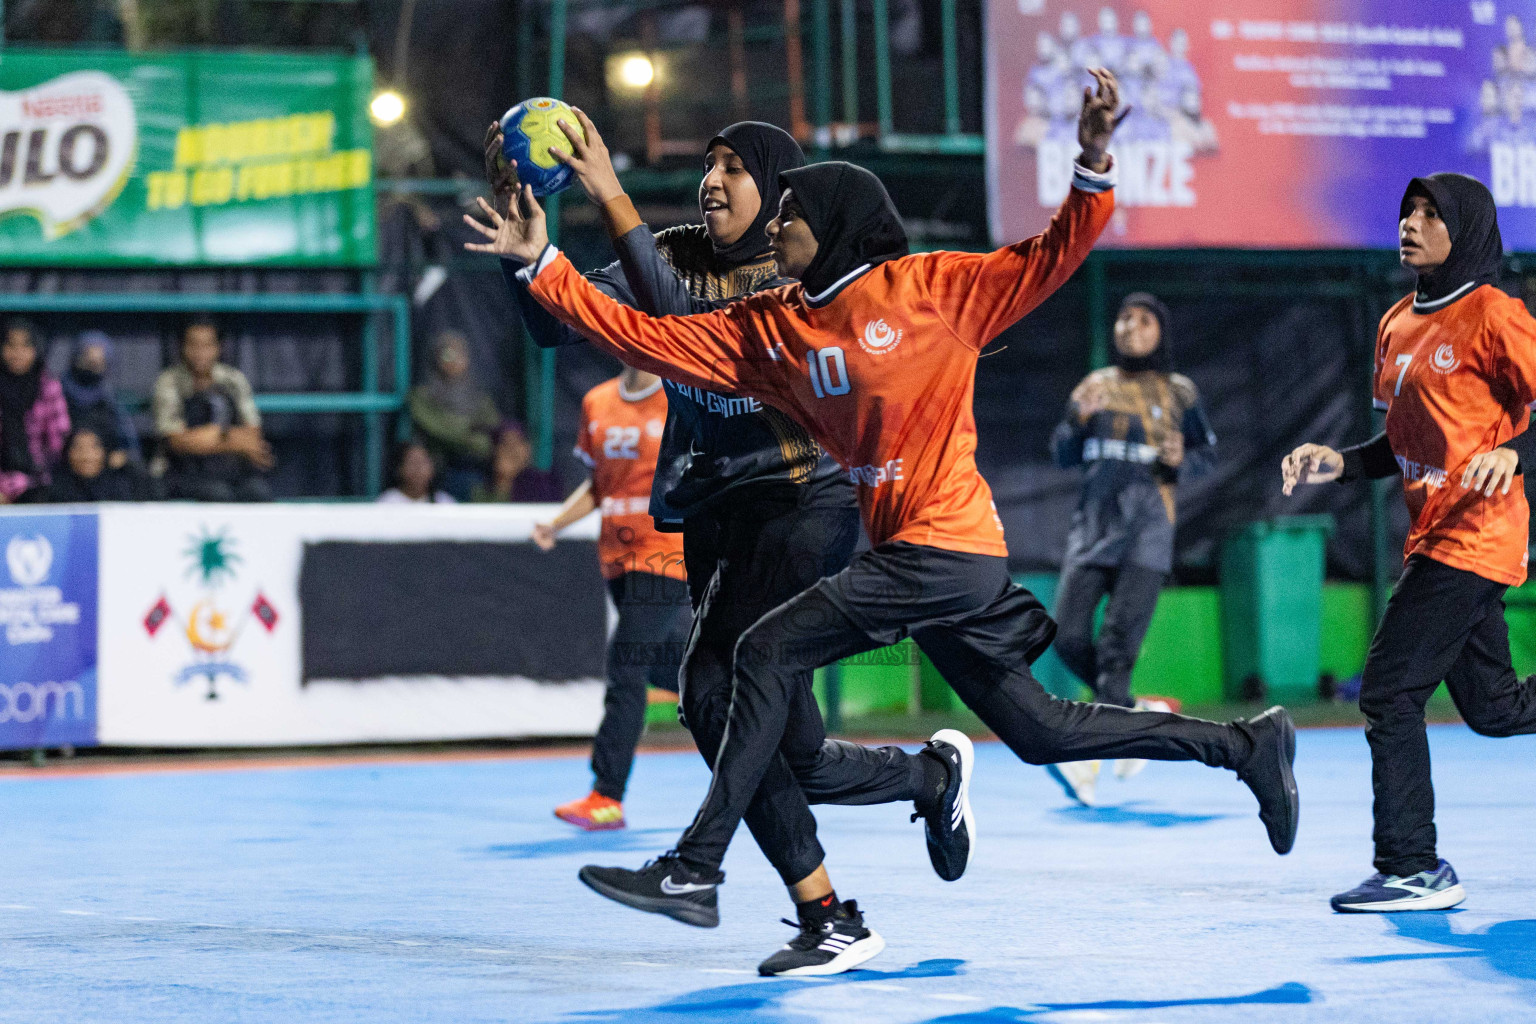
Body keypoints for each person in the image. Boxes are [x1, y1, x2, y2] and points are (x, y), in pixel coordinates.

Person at [472, 68, 1298, 938]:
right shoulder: (777, 325)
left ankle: (697, 866)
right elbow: (652, 337)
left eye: (788, 209)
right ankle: (1243, 747)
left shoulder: (933, 289)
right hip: (903, 553)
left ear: (827, 225)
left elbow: (1052, 253)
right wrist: (538, 262)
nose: (773, 220)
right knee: (1040, 731)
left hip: (930, 546)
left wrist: (1092, 161)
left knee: (760, 655)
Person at [484, 113, 965, 977]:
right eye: (706, 165)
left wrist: (610, 195)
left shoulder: (802, 272)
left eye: (734, 169)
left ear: (778, 189)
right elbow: (558, 326)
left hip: (802, 499)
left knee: (711, 691)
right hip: (714, 508)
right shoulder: (671, 249)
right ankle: (928, 780)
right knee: (796, 753)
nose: (712, 182)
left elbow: (686, 335)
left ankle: (791, 903)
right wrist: (532, 260)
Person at [1282, 172, 1536, 913]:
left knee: (1391, 690)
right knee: (1494, 709)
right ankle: (1414, 866)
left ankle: (1413, 867)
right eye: (1407, 211)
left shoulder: (1495, 315)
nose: (1412, 222)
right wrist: (1341, 462)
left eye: (1432, 213)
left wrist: (1516, 452)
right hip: (1433, 535)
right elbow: (1401, 442)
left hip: (1479, 534)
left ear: (1469, 229)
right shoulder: (1396, 322)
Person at [1045, 292, 1216, 805]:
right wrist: (1076, 420)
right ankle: (1136, 715)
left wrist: (1184, 456)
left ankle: (1084, 763)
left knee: (1116, 650)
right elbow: (1061, 454)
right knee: (1067, 636)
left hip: (1148, 534)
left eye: (1143, 320)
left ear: (1161, 331)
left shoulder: (1179, 392)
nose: (1129, 327)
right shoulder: (1094, 386)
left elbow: (1208, 456)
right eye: (1123, 317)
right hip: (1092, 532)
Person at [535, 367, 692, 830]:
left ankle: (607, 794)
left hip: (664, 554)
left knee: (626, 666)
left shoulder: (678, 398)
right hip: (617, 557)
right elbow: (600, 486)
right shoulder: (597, 401)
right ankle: (743, 701)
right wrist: (556, 523)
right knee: (669, 665)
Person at [153, 317, 273, 502]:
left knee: (258, 492)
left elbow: (253, 436)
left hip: (229, 467)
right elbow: (177, 441)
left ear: (218, 348)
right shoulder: (170, 382)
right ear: (182, 347)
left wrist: (214, 436)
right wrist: (231, 438)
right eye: (194, 345)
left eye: (207, 345)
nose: (200, 353)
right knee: (218, 494)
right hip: (183, 470)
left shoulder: (233, 380)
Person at [409, 330, 501, 501]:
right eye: (447, 354)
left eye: (460, 354)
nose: (454, 360)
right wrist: (470, 432)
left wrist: (465, 434)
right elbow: (442, 430)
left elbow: (489, 438)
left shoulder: (480, 398)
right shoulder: (421, 396)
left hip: (476, 472)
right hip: (436, 473)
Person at [0, 318, 70, 503]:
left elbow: (58, 443)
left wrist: (32, 483)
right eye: (10, 346)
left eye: (25, 346)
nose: (17, 354)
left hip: (40, 481)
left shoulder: (48, 387)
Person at [61, 330, 140, 470]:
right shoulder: (56, 394)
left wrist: (122, 456)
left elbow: (130, 447)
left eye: (99, 363)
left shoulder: (110, 399)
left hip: (103, 471)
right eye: (88, 361)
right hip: (65, 470)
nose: (93, 367)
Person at [44, 427, 152, 502]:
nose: (86, 456)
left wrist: (129, 463)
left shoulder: (121, 486)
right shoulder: (53, 491)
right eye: (78, 448)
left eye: (94, 447)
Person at [468, 421, 561, 502]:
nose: (512, 450)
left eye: (517, 442)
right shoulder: (479, 491)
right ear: (495, 451)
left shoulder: (545, 484)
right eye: (505, 444)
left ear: (527, 448)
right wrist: (504, 482)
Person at [377, 440, 455, 504]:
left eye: (423, 463)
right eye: (412, 463)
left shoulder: (444, 502)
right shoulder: (387, 502)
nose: (418, 469)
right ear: (399, 468)